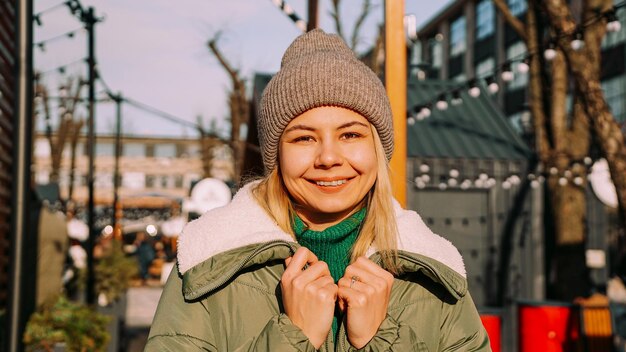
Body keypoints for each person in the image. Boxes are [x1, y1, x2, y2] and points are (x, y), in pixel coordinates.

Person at [146, 29, 490, 351]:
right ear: (277, 155)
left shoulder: (436, 273)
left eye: (350, 135)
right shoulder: (207, 263)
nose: (328, 157)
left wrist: (379, 340)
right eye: (304, 138)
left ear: (377, 148)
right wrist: (294, 338)